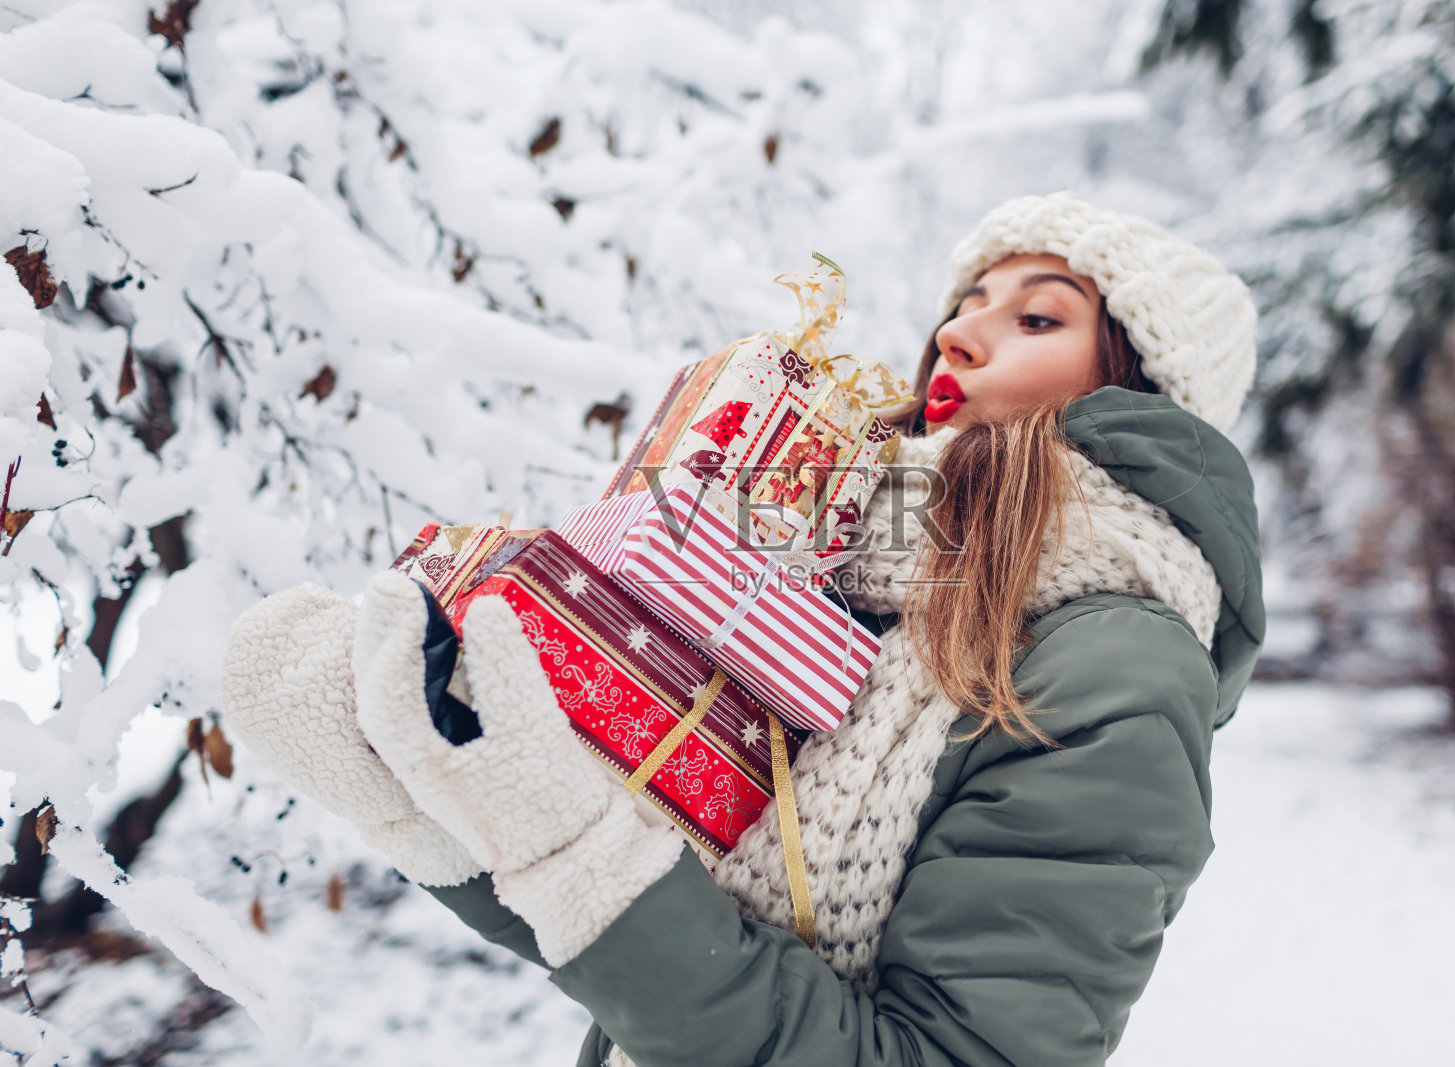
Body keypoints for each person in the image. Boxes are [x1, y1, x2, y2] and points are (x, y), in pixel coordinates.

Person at [221, 190, 1265, 1067]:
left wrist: (577, 847)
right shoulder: (852, 575)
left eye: (1038, 319)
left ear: (1136, 395)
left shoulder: (1117, 669)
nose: (955, 333)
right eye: (964, 304)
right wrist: (428, 797)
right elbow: (668, 954)